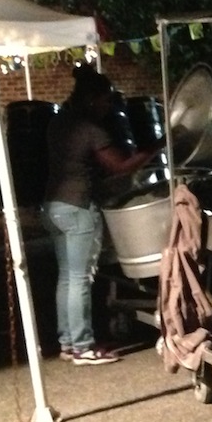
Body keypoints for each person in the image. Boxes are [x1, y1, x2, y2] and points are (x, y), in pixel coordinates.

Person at [43, 66, 156, 365]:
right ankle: (82, 346)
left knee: (67, 277)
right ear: (92, 99)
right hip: (79, 206)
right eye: (106, 100)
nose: (109, 107)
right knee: (80, 278)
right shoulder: (92, 129)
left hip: (54, 204)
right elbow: (120, 166)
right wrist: (154, 150)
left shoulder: (58, 122)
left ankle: (68, 342)